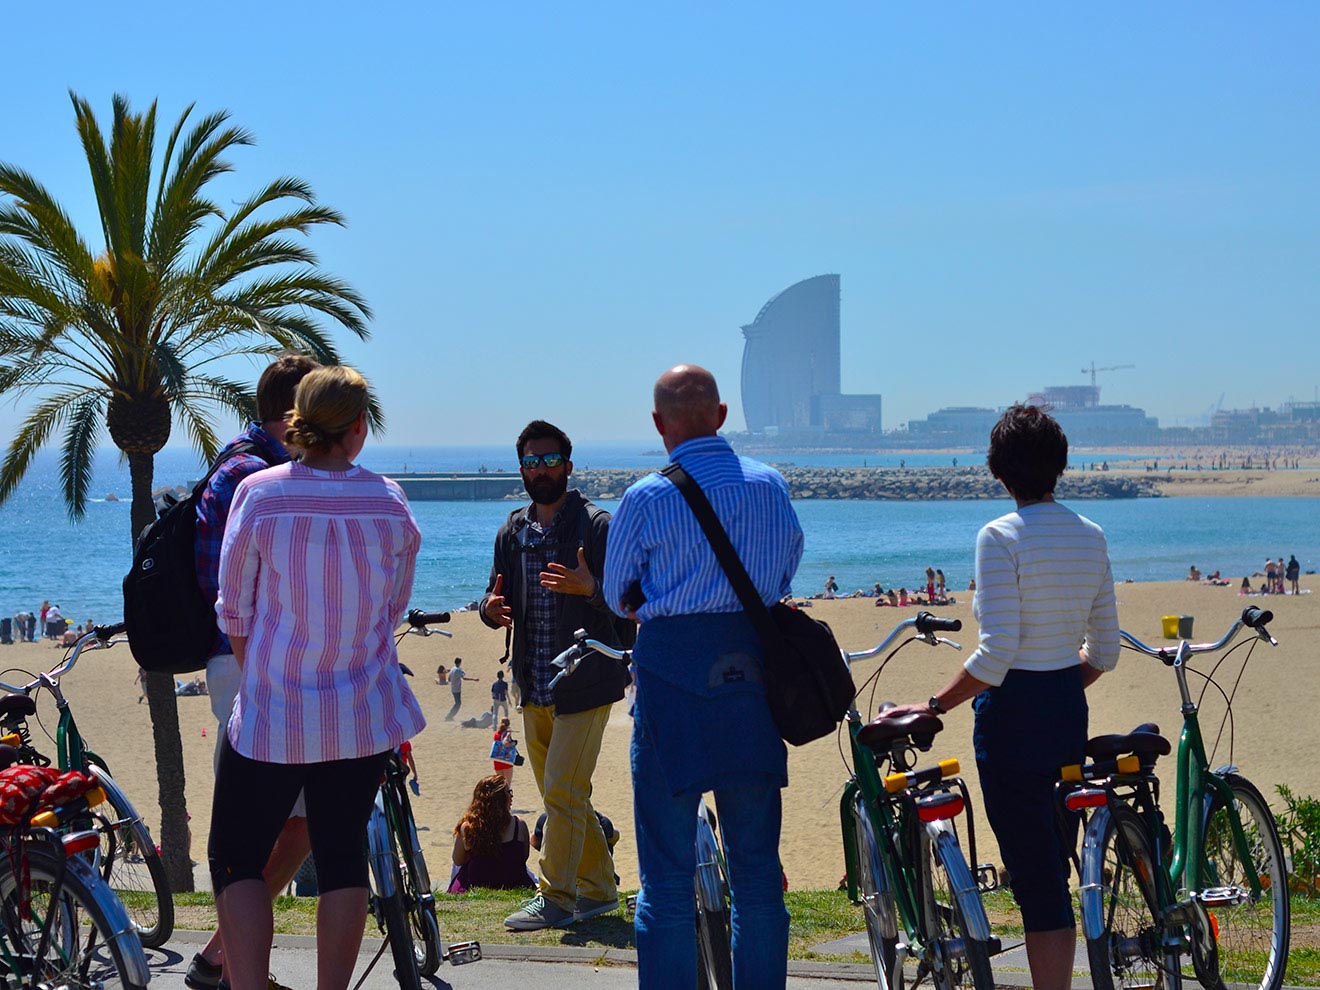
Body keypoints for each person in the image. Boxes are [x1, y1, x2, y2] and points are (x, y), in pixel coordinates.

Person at [883, 405, 1119, 990]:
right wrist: (1058, 681)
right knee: (1054, 871)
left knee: (1036, 878)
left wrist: (934, 705)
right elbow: (1106, 651)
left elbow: (995, 657)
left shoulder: (1000, 536)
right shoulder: (1090, 535)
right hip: (1067, 707)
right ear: (1059, 466)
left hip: (1013, 720)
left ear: (1000, 473)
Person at [210, 365, 426, 990]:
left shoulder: (261, 493)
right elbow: (392, 611)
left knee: (236, 860)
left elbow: (234, 609)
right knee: (341, 860)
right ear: (359, 428)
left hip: (274, 716)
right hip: (361, 712)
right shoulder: (389, 502)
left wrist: (262, 678)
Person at [603, 364, 803, 988]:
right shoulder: (770, 487)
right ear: (721, 417)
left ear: (660, 426)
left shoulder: (646, 497)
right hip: (750, 683)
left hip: (670, 685)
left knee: (665, 878)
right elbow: (785, 574)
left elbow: (615, 595)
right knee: (757, 878)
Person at [186, 354, 318, 990]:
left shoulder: (256, 469)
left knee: (297, 822)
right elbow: (228, 588)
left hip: (259, 661)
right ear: (294, 414)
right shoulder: (251, 475)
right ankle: (237, 968)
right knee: (257, 829)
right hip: (249, 662)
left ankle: (221, 956)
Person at [480, 420, 634, 931]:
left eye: (549, 461)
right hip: (533, 680)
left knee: (564, 793)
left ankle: (556, 897)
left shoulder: (597, 527)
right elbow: (493, 594)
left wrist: (592, 589)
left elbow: (631, 608)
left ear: (568, 466)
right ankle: (600, 891)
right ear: (521, 468)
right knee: (565, 795)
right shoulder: (513, 531)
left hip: (587, 679)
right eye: (531, 462)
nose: (540, 470)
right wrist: (489, 609)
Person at [448, 774, 535, 893]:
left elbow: (457, 860)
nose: (512, 795)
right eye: (509, 792)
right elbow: (523, 857)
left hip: (476, 884)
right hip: (514, 883)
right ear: (500, 799)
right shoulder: (519, 825)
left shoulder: (469, 827)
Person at [491, 717, 518, 783]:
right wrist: (514, 743)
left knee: (500, 783)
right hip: (506, 760)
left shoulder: (496, 734)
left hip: (497, 759)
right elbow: (505, 743)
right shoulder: (507, 733)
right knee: (508, 783)